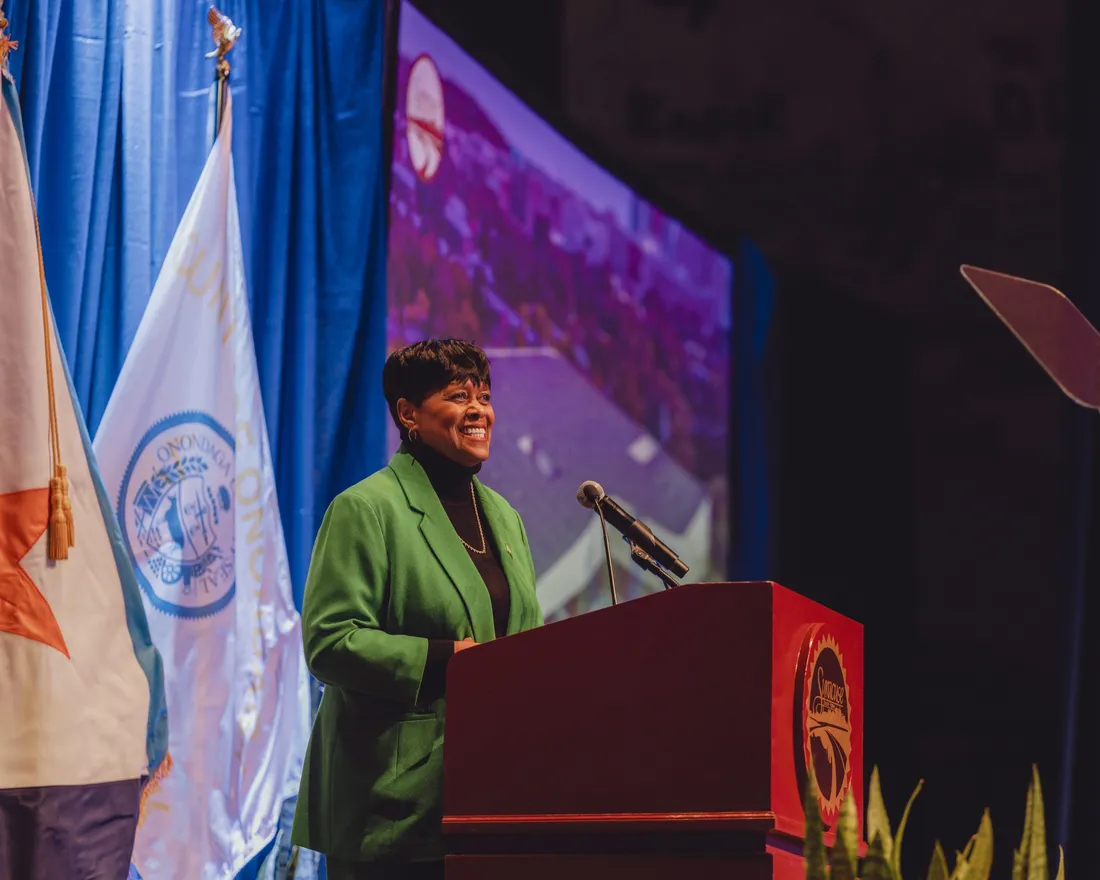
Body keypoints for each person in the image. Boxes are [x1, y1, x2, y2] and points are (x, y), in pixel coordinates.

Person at [290, 339, 544, 879]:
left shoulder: (506, 518)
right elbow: (331, 642)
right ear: (408, 414)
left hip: (496, 794)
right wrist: (449, 660)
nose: (478, 410)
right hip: (394, 805)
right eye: (458, 396)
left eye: (484, 397)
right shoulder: (366, 508)